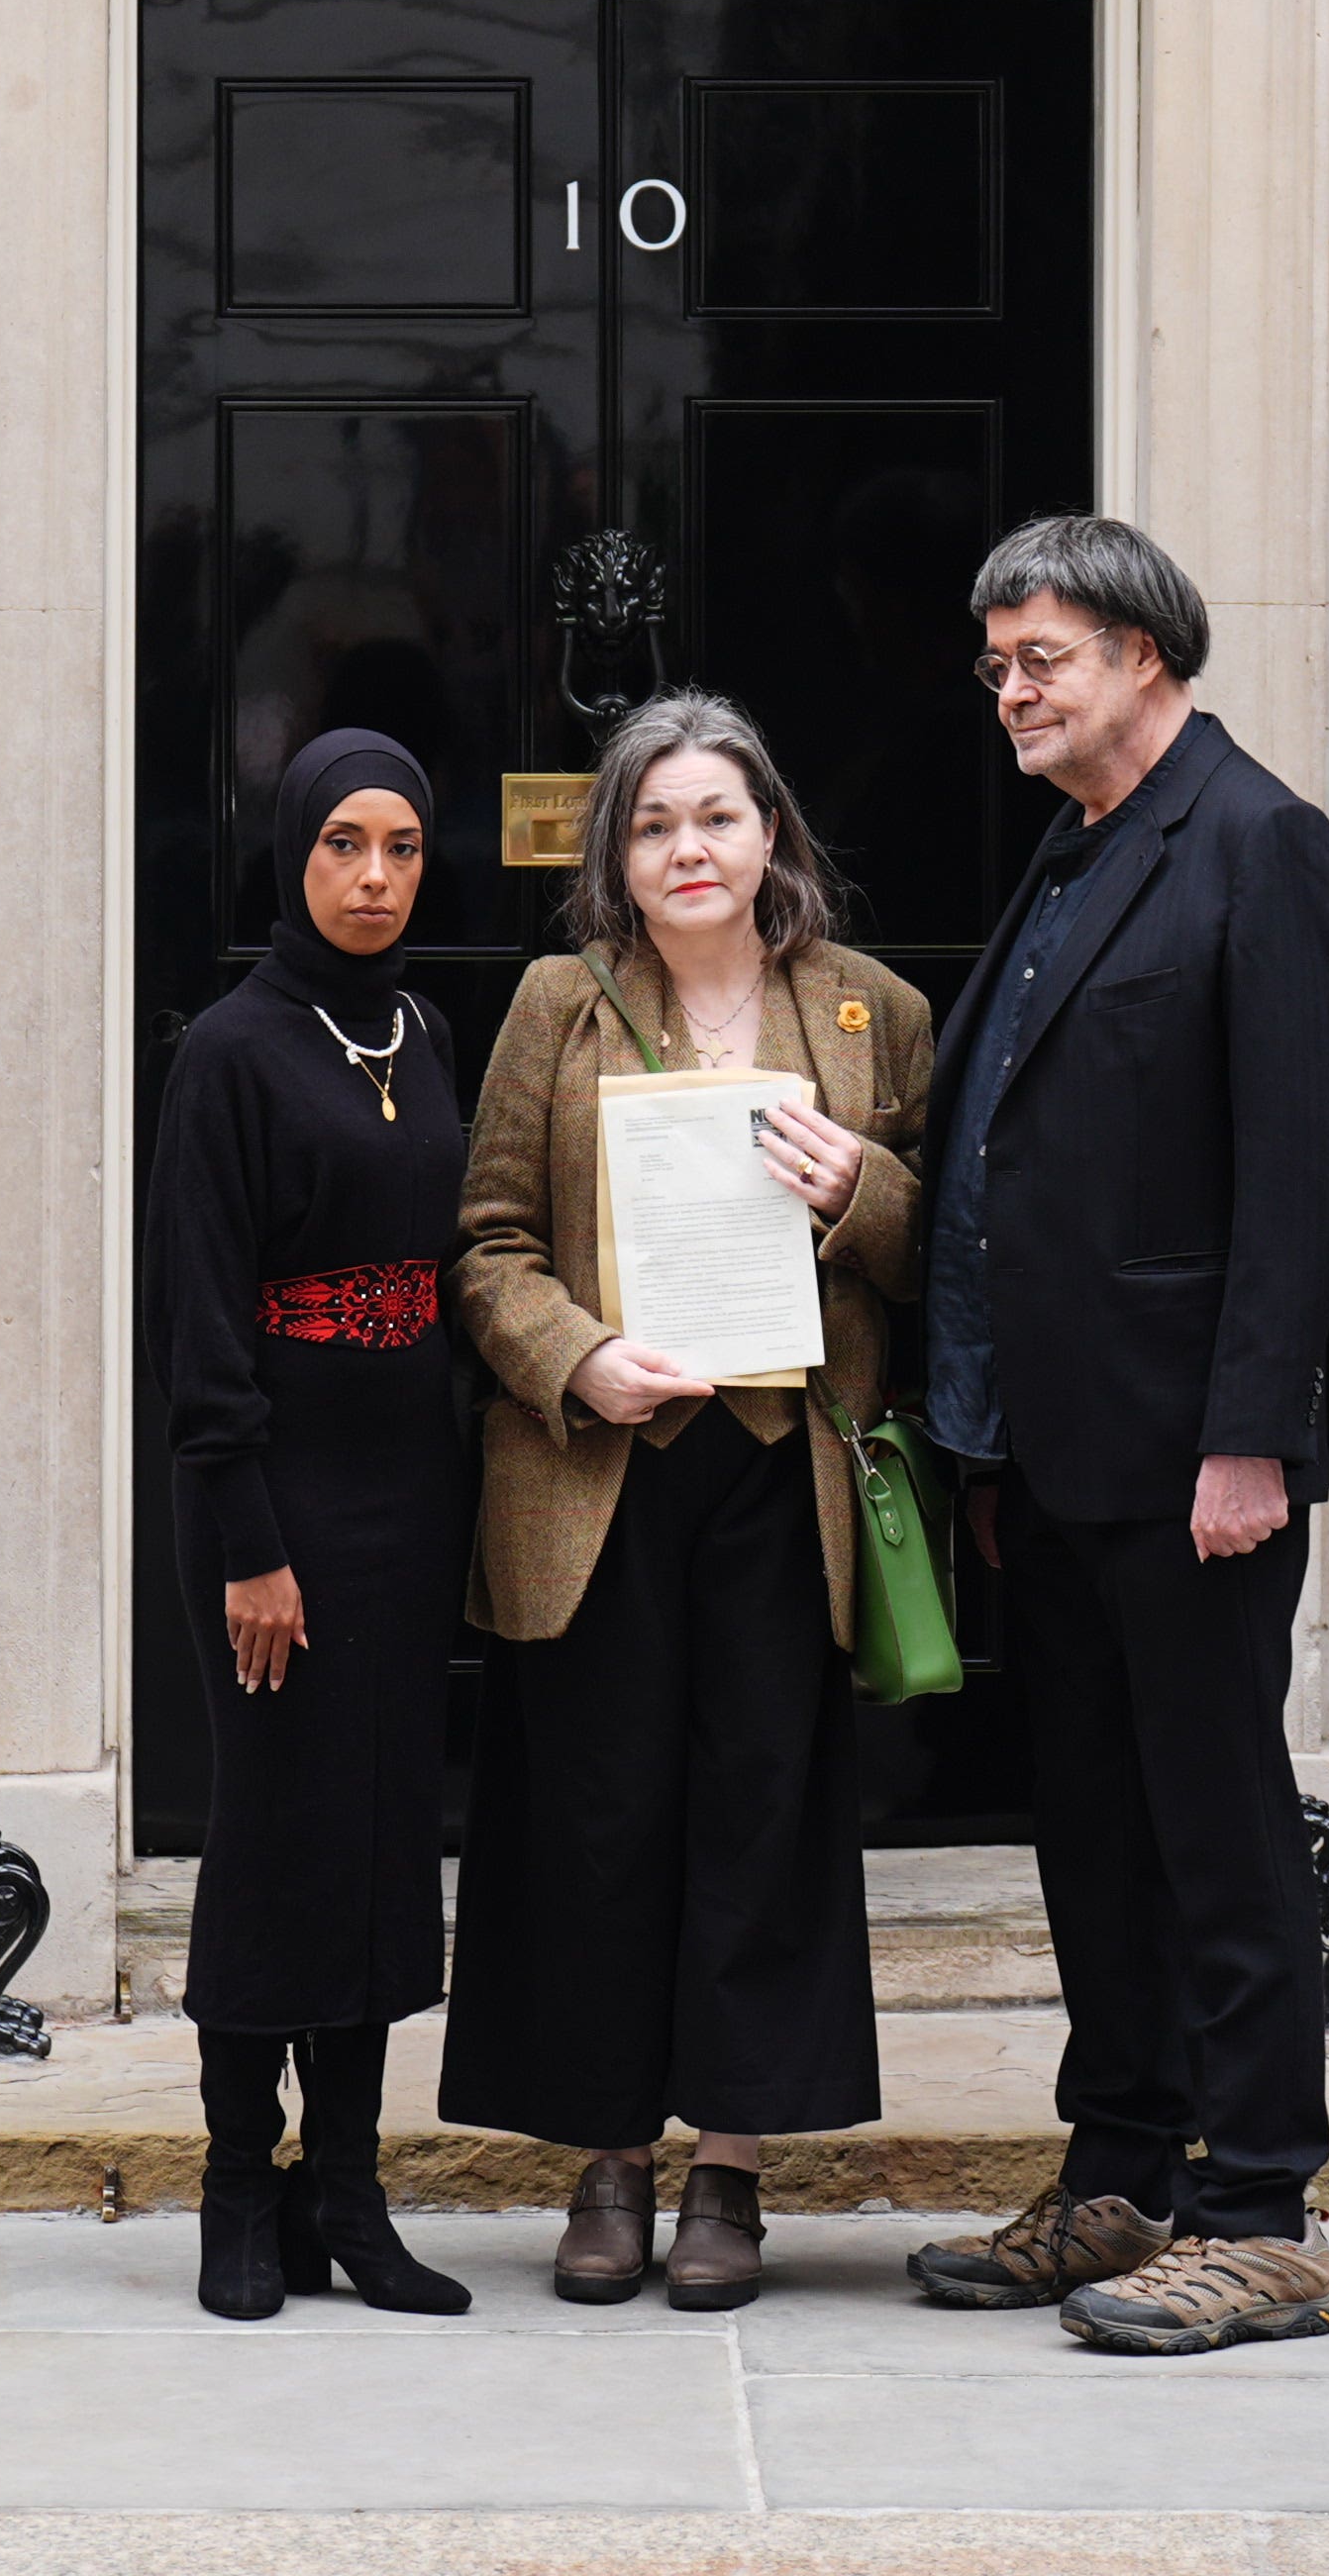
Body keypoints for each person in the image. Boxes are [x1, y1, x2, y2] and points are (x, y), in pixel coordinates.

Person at [900, 516, 1329, 2354]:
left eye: (1048, 657)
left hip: (1197, 1461)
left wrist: (1249, 1441)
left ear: (1152, 656)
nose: (1014, 688)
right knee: (1095, 1831)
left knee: (1216, 1827)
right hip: (1059, 1447)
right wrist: (990, 1434)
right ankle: (1122, 2178)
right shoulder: (1081, 848)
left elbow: (1298, 1176)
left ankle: (1262, 2213)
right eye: (1001, 661)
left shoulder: (1258, 844)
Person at [441, 690, 939, 2311]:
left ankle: (728, 2166)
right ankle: (608, 2162)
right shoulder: (553, 1008)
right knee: (595, 1818)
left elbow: (948, 1254)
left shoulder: (873, 1016)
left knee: (763, 1813)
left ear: (771, 833)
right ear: (618, 857)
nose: (688, 846)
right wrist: (575, 1361)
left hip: (782, 1473)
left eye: (716, 815)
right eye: (654, 823)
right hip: (607, 1466)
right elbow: (486, 1245)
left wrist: (857, 1189)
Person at [143, 724, 481, 2323]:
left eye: (401, 847)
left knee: (382, 1851)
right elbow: (201, 1329)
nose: (372, 875)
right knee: (277, 1848)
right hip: (279, 1507)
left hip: (412, 1500)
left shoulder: (425, 1027)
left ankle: (348, 2193)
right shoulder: (230, 1048)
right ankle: (235, 2189)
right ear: (294, 852)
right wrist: (246, 1545)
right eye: (344, 843)